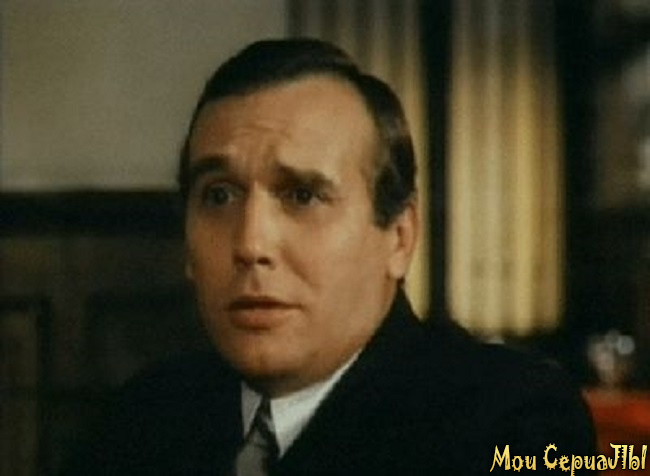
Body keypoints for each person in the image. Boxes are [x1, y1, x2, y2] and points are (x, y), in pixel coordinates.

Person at [63, 38, 595, 475]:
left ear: (399, 238)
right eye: (219, 196)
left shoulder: (511, 418)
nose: (250, 244)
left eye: (302, 195)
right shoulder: (142, 417)